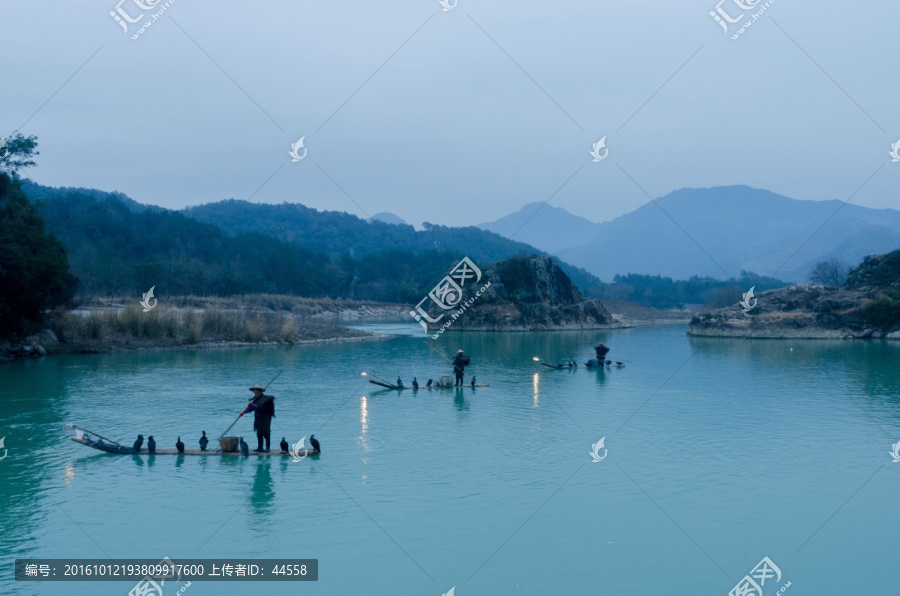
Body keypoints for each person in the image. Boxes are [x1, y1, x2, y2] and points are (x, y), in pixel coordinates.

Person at [241, 384, 276, 452]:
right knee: (259, 433)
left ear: (260, 391)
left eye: (257, 390)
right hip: (258, 418)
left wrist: (253, 405)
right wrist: (244, 412)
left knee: (266, 433)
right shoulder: (255, 399)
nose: (255, 391)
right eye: (254, 390)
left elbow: (262, 407)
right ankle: (260, 448)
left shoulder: (265, 399)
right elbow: (251, 408)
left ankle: (267, 448)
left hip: (265, 418)